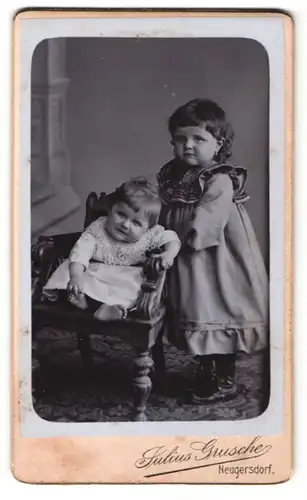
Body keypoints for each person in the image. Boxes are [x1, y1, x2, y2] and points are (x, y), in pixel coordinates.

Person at [157, 98, 269, 403]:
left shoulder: (219, 178)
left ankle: (222, 375)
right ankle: (206, 368)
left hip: (215, 258)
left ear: (218, 144)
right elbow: (163, 209)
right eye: (180, 139)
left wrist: (189, 238)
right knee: (194, 310)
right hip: (185, 259)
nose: (188, 146)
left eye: (198, 139)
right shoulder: (174, 176)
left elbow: (211, 217)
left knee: (217, 310)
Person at [43, 178, 181, 321]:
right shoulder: (98, 228)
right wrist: (76, 276)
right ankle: (91, 305)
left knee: (133, 289)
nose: (126, 225)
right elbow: (81, 251)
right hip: (95, 273)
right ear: (110, 209)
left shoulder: (151, 235)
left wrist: (169, 254)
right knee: (71, 275)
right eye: (121, 214)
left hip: (127, 277)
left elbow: (172, 238)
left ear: (148, 228)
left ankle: (100, 308)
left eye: (136, 222)